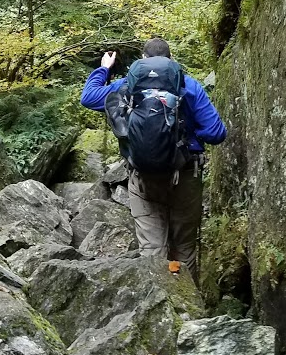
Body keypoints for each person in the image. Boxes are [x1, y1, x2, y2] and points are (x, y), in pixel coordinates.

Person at [79, 37, 226, 283]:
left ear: (144, 60)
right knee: (183, 246)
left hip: (143, 175)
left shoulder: (128, 86)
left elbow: (89, 97)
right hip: (185, 173)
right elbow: (216, 133)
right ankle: (190, 309)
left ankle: (161, 306)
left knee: (152, 247)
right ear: (171, 60)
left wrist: (104, 69)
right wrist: (186, 137)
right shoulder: (189, 86)